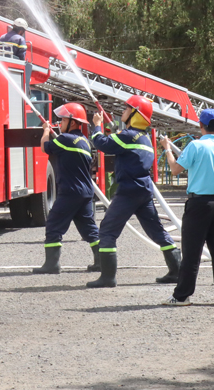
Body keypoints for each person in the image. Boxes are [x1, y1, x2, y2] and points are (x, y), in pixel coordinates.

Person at [86, 95, 181, 288]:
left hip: (128, 190)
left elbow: (101, 144)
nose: (123, 111)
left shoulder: (127, 136)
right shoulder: (144, 138)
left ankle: (107, 277)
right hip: (143, 190)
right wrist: (118, 133)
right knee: (156, 230)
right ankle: (176, 271)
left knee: (107, 230)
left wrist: (97, 125)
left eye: (127, 109)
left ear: (135, 114)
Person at [159, 109, 214, 306]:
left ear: (200, 125)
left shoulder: (195, 146)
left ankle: (182, 295)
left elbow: (175, 169)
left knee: (192, 251)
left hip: (198, 203)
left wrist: (167, 148)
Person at [33, 103, 100, 274]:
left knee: (54, 225)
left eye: (63, 120)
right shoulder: (84, 141)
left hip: (70, 191)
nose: (59, 123)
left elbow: (44, 147)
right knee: (89, 229)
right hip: (85, 192)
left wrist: (46, 130)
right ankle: (101, 262)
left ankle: (52, 265)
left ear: (72, 122)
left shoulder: (65, 140)